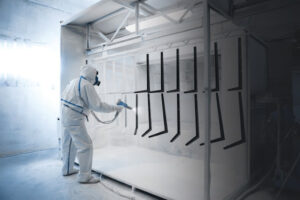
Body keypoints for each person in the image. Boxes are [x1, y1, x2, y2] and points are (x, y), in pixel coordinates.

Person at [60, 65, 123, 183]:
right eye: (96, 75)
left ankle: (67, 169)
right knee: (85, 146)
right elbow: (98, 106)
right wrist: (116, 108)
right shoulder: (87, 85)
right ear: (92, 75)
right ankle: (84, 176)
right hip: (74, 118)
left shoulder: (74, 81)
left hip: (65, 115)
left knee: (68, 144)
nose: (96, 79)